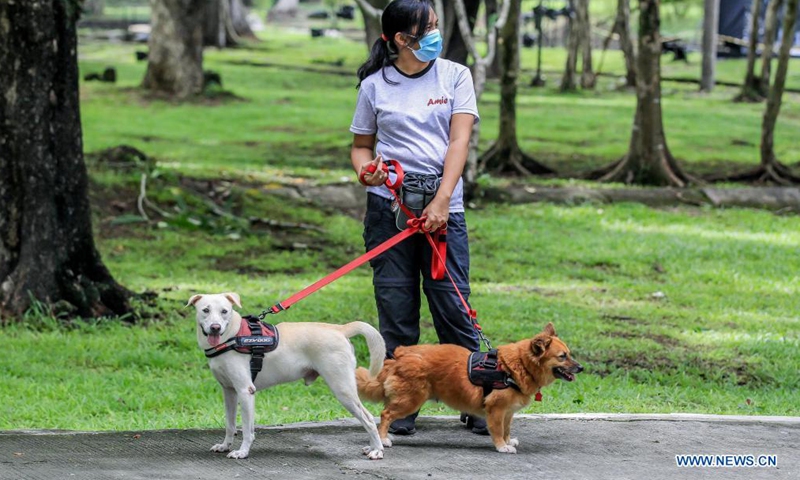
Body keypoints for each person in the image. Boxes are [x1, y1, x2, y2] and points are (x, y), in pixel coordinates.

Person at [349, 0, 486, 436]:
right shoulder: (375, 85)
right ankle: (402, 403)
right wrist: (364, 169)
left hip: (443, 208)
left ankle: (478, 400)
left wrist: (443, 200)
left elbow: (459, 141)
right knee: (396, 305)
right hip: (389, 209)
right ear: (399, 39)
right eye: (425, 30)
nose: (434, 36)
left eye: (435, 27)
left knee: (451, 304)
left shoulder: (454, 76)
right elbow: (360, 146)